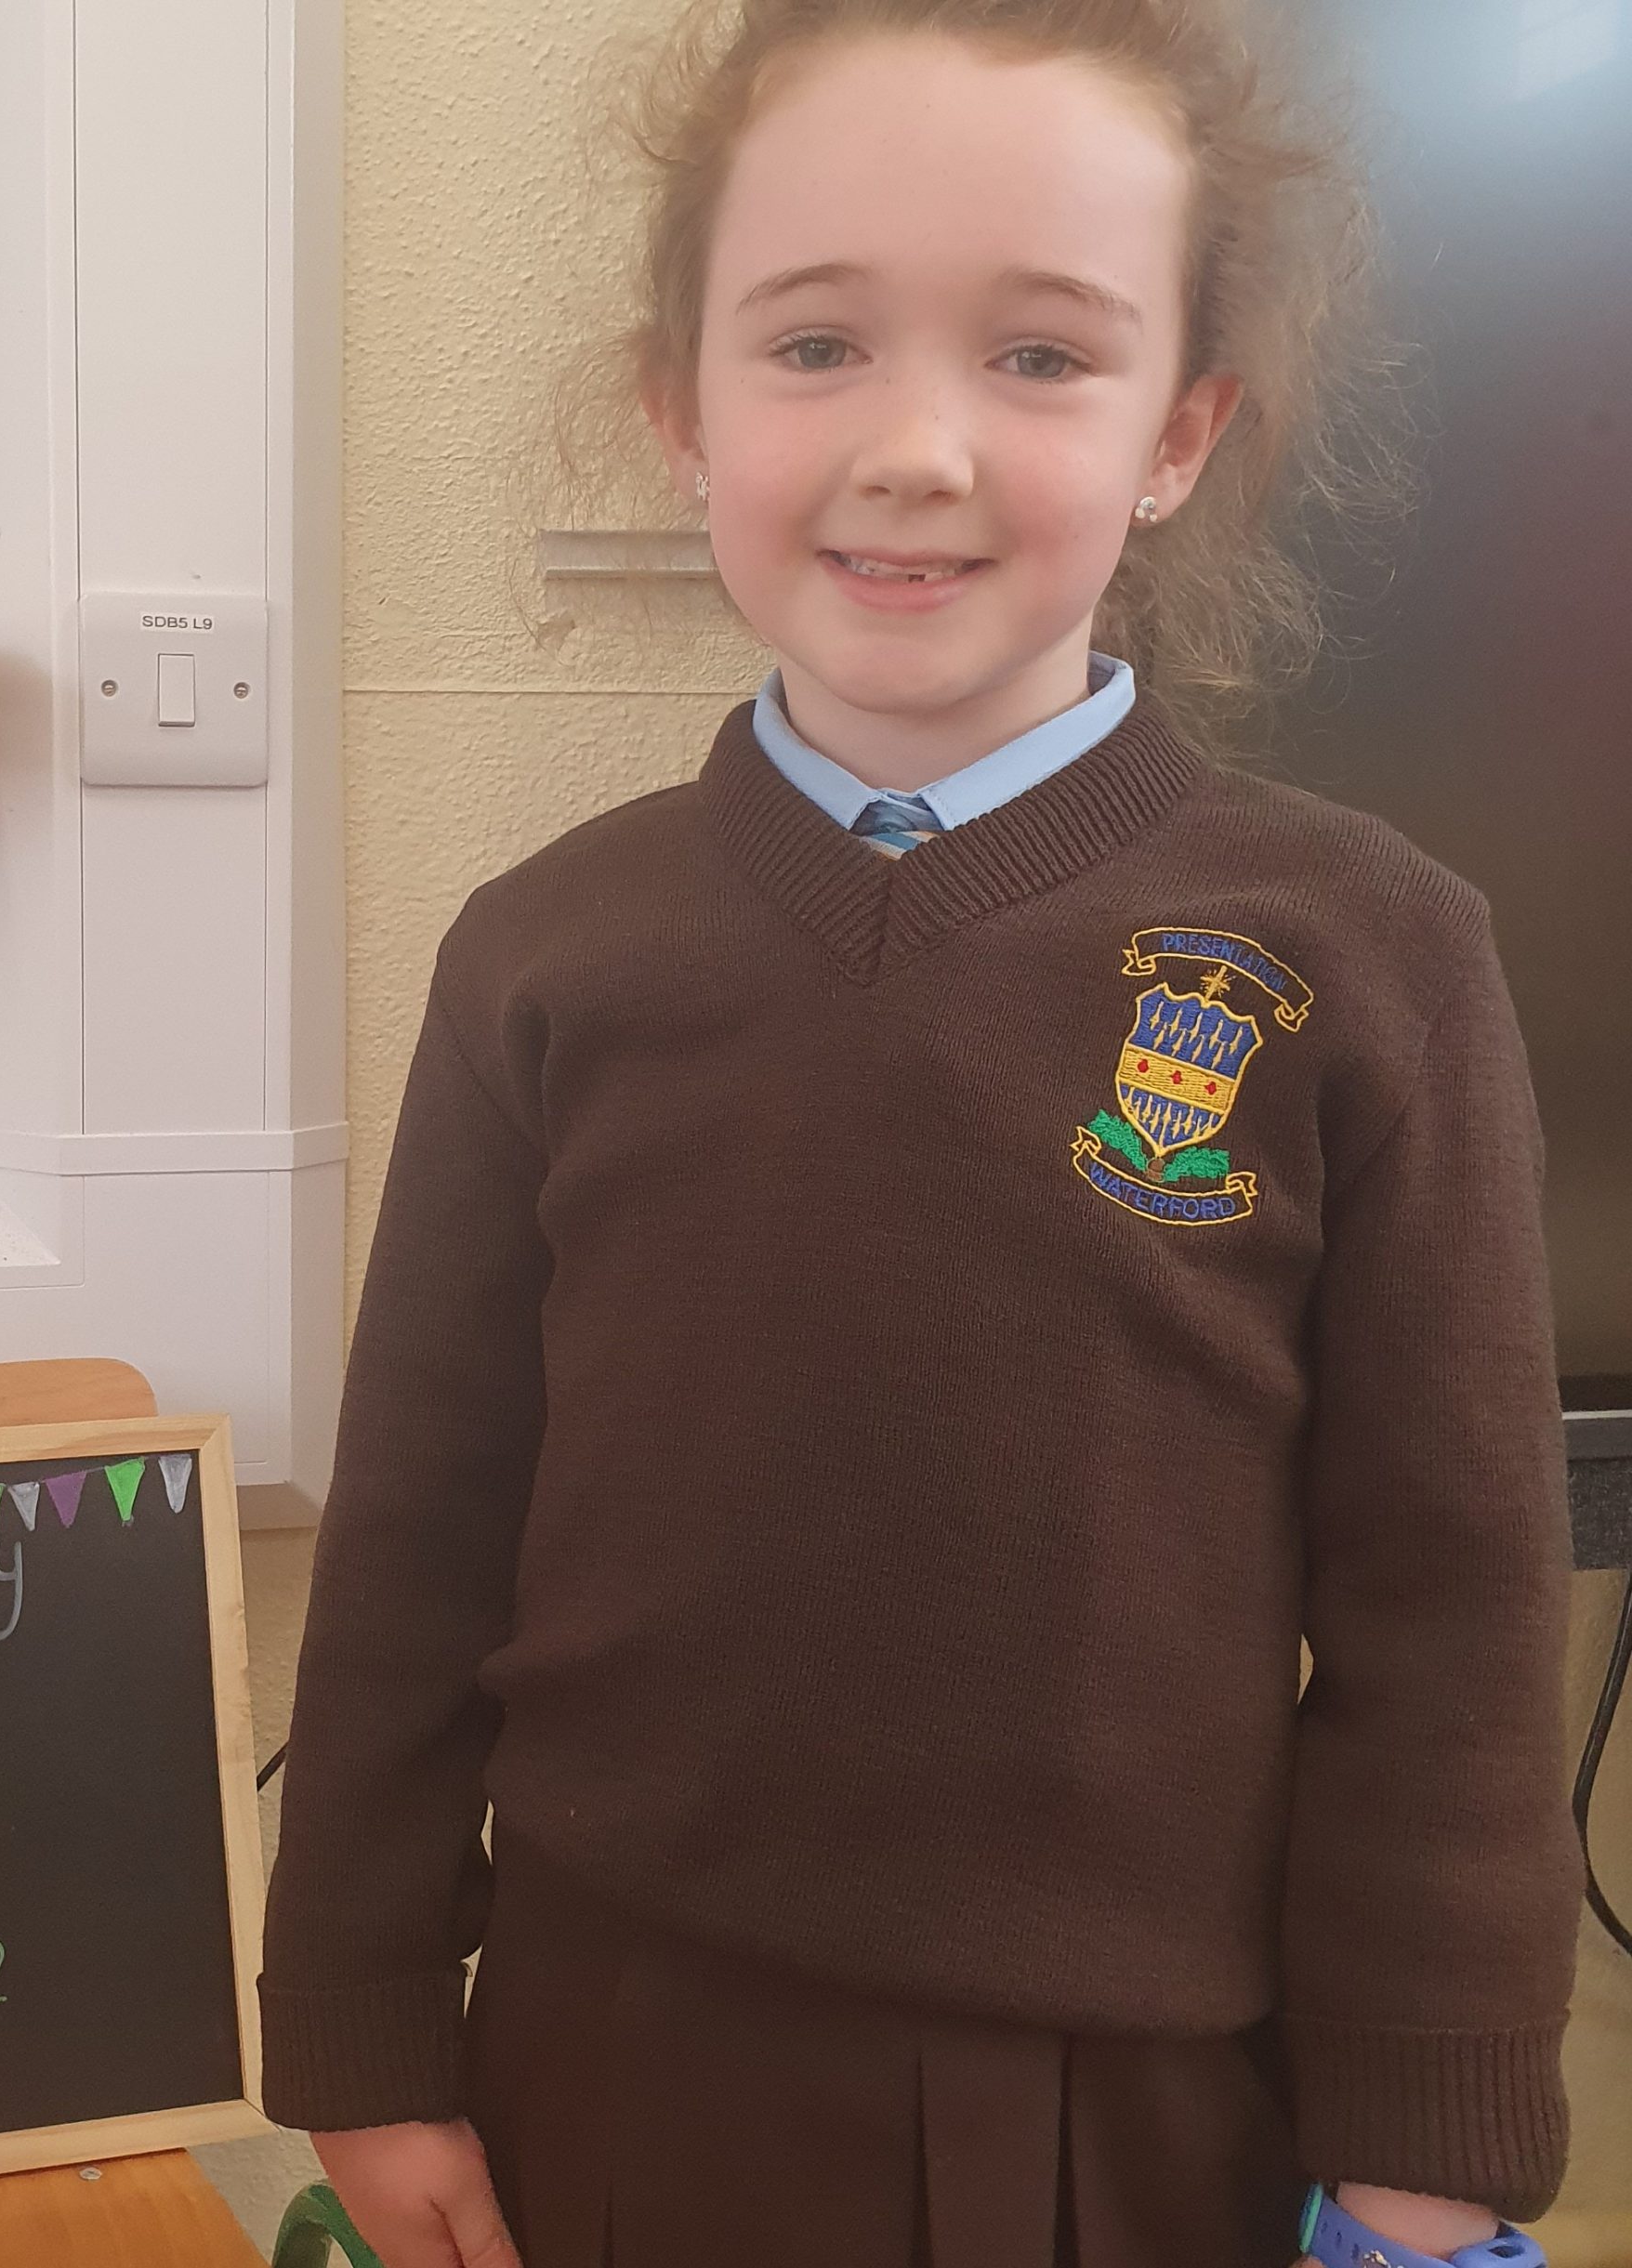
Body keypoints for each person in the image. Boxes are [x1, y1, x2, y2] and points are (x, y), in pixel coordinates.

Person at [254, 3, 1587, 2263]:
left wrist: (1422, 2141)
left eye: (1039, 357)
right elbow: (413, 1548)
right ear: (680, 405)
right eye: (814, 346)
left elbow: (1445, 1625)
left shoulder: (1375, 961)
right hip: (600, 2085)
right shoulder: (541, 960)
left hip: (1132, 2129)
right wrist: (363, 2034)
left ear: (1177, 434)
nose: (914, 451)